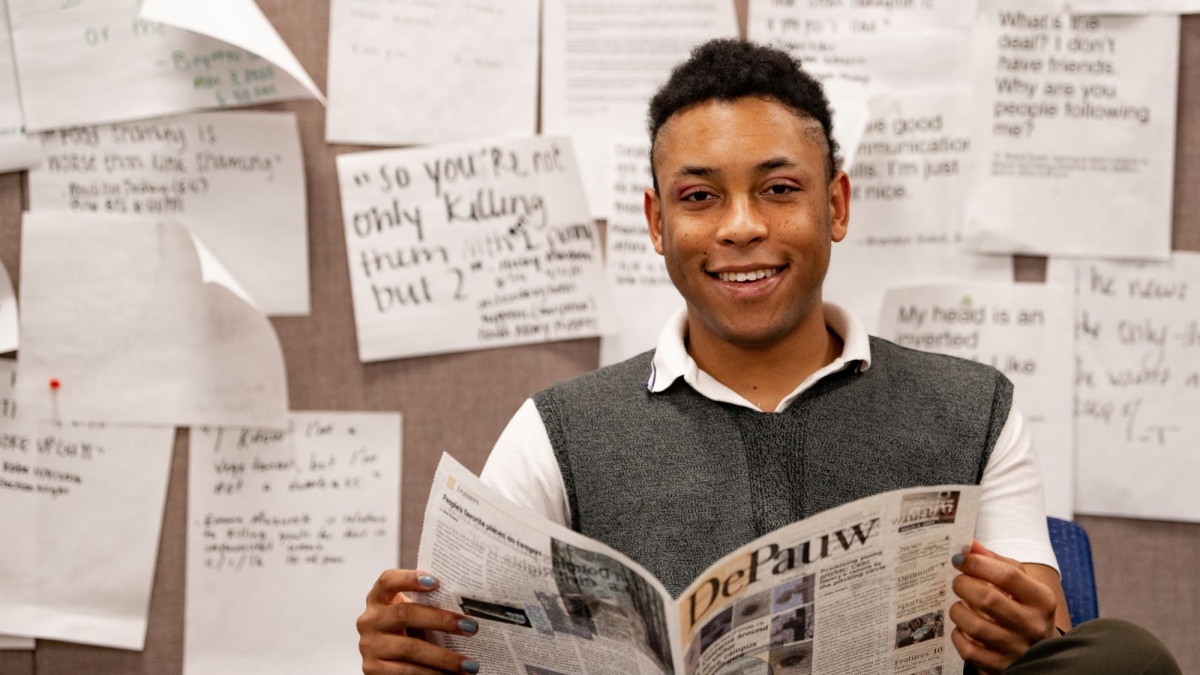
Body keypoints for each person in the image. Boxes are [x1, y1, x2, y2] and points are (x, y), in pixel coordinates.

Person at [357, 39, 1180, 675]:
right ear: (655, 223)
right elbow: (476, 645)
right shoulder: (557, 430)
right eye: (699, 195)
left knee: (1124, 654)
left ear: (836, 204)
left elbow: (1040, 643)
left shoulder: (974, 408)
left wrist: (1034, 633)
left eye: (779, 189)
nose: (741, 225)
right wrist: (411, 650)